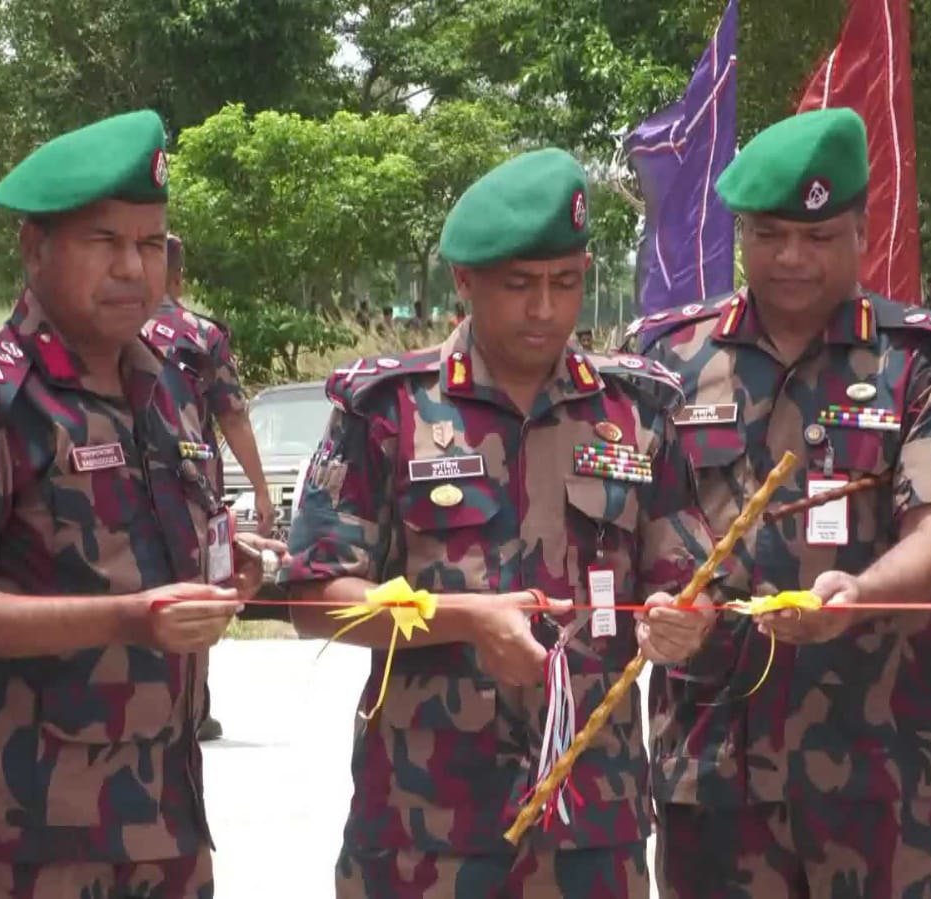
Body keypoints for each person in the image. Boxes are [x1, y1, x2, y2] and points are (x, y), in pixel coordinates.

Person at [281, 147, 718, 898]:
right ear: (465, 281)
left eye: (565, 283)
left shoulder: (636, 411)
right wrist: (464, 620)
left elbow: (688, 577)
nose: (544, 309)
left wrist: (685, 619)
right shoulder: (389, 411)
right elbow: (314, 601)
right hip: (426, 821)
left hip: (592, 817)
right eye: (519, 286)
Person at [0, 109, 275, 899]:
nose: (133, 269)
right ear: (36, 249)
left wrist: (227, 568)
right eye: (104, 242)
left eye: (150, 244)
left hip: (163, 820)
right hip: (15, 838)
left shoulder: (170, 389)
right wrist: (129, 616)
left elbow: (164, 550)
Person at [626, 108, 931, 898]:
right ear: (740, 233)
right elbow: (637, 529)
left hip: (885, 754)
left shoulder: (918, 361)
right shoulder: (669, 362)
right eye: (768, 235)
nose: (792, 257)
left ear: (861, 231)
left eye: (819, 235)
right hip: (714, 756)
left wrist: (859, 594)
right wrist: (664, 605)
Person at [143, 233, 279, 740]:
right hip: (192, 489)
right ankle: (193, 707)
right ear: (178, 279)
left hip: (124, 482)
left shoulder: (107, 327)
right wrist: (261, 490)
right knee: (202, 586)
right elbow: (234, 416)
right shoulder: (201, 335)